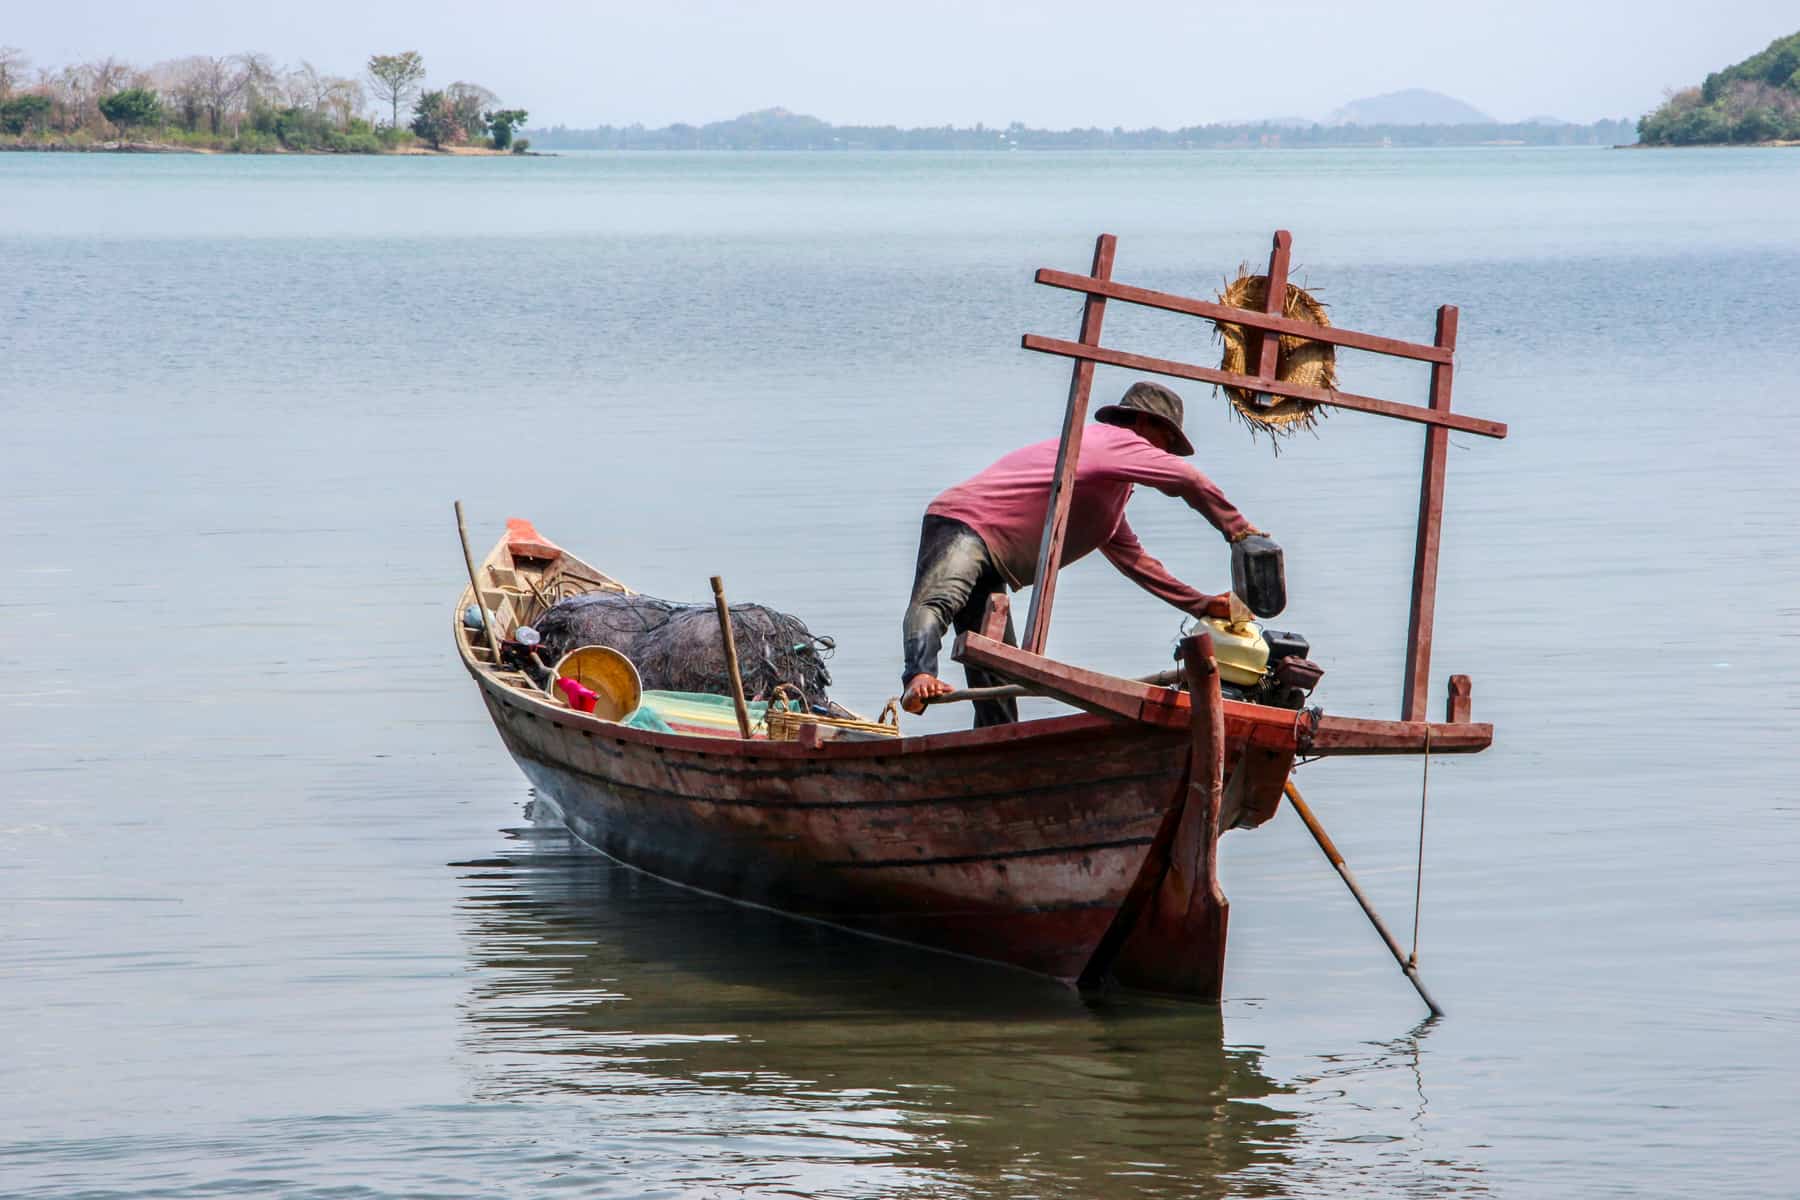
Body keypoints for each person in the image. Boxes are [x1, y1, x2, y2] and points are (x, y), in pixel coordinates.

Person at [900, 381, 1261, 726]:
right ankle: (919, 675)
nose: (1163, 455)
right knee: (940, 600)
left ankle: (999, 756)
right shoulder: (1115, 440)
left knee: (996, 670)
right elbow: (1189, 480)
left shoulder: (1105, 485)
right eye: (1165, 441)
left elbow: (1135, 560)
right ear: (1142, 422)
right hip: (964, 522)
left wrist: (1198, 604)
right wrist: (1241, 532)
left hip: (995, 557)